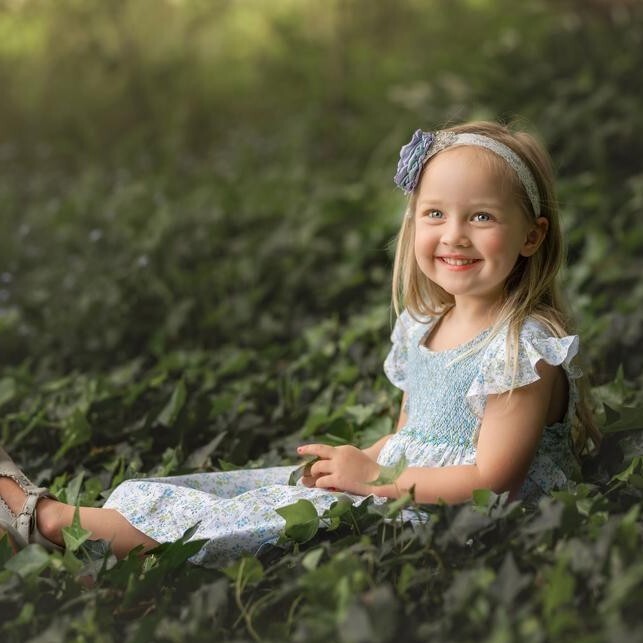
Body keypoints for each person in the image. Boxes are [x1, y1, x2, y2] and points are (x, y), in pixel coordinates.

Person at [0, 120, 600, 568]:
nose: (454, 235)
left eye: (482, 218)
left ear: (531, 236)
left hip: (464, 521)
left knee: (280, 519)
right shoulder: (426, 325)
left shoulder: (523, 348)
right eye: (435, 213)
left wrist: (375, 480)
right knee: (266, 488)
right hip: (403, 488)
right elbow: (413, 434)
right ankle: (114, 528)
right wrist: (357, 464)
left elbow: (494, 481)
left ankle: (56, 523)